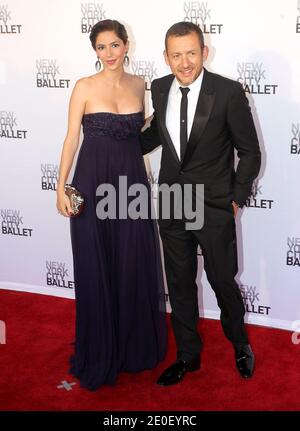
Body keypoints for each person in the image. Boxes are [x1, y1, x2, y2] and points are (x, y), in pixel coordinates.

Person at [140, 21, 261, 386]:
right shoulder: (159, 89)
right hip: (173, 202)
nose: (185, 62)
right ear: (166, 57)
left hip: (213, 205)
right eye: (176, 55)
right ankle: (187, 355)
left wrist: (237, 198)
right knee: (178, 283)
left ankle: (240, 343)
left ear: (204, 52)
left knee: (222, 280)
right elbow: (153, 138)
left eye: (192, 52)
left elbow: (250, 152)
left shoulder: (227, 92)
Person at [56, 19, 167, 391]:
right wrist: (60, 187)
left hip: (130, 181)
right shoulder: (84, 87)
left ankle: (132, 346)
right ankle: (101, 347)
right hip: (92, 179)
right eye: (101, 47)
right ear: (95, 52)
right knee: (97, 260)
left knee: (132, 259)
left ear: (126, 45)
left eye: (115, 45)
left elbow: (138, 131)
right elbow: (72, 139)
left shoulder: (139, 85)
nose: (109, 53)